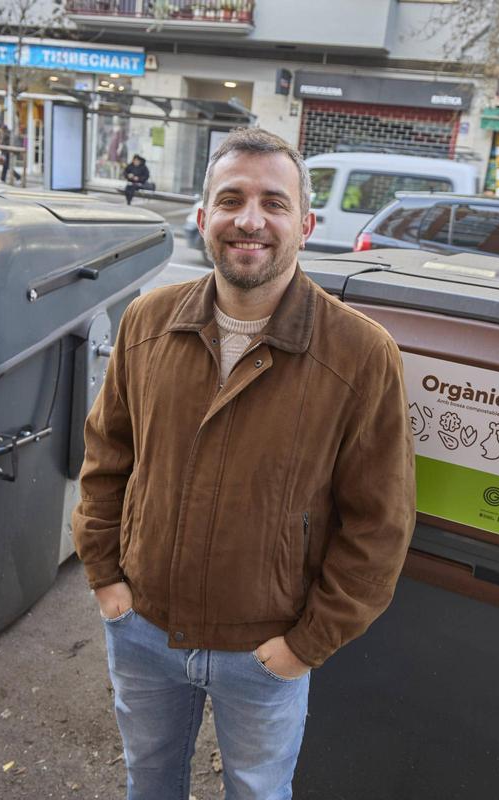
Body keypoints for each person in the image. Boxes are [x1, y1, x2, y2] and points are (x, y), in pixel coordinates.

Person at [72, 128, 415, 800]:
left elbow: (380, 526)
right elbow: (107, 455)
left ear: (305, 224)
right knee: (149, 781)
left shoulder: (360, 354)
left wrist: (303, 647)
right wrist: (107, 581)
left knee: (258, 792)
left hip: (265, 653)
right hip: (142, 630)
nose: (250, 220)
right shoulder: (148, 321)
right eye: (230, 200)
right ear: (202, 220)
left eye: (273, 203)